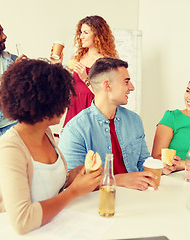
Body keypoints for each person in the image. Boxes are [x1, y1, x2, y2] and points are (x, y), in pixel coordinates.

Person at [0, 59, 101, 236]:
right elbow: (22, 221)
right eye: (63, 97)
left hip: (50, 228)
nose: (68, 103)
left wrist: (75, 176)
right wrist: (74, 192)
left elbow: (48, 184)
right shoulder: (9, 148)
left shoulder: (46, 133)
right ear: (44, 102)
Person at [58, 57, 159, 191]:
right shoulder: (75, 129)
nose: (132, 87)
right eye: (126, 81)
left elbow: (143, 163)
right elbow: (71, 182)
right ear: (107, 85)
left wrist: (159, 166)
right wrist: (117, 180)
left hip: (136, 196)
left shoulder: (135, 120)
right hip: (98, 203)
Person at [56, 15, 118, 127]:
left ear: (97, 34)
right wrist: (58, 65)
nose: (81, 37)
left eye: (85, 32)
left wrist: (85, 78)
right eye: (80, 32)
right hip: (74, 110)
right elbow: (68, 87)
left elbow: (108, 97)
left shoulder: (108, 62)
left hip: (93, 112)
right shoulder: (78, 56)